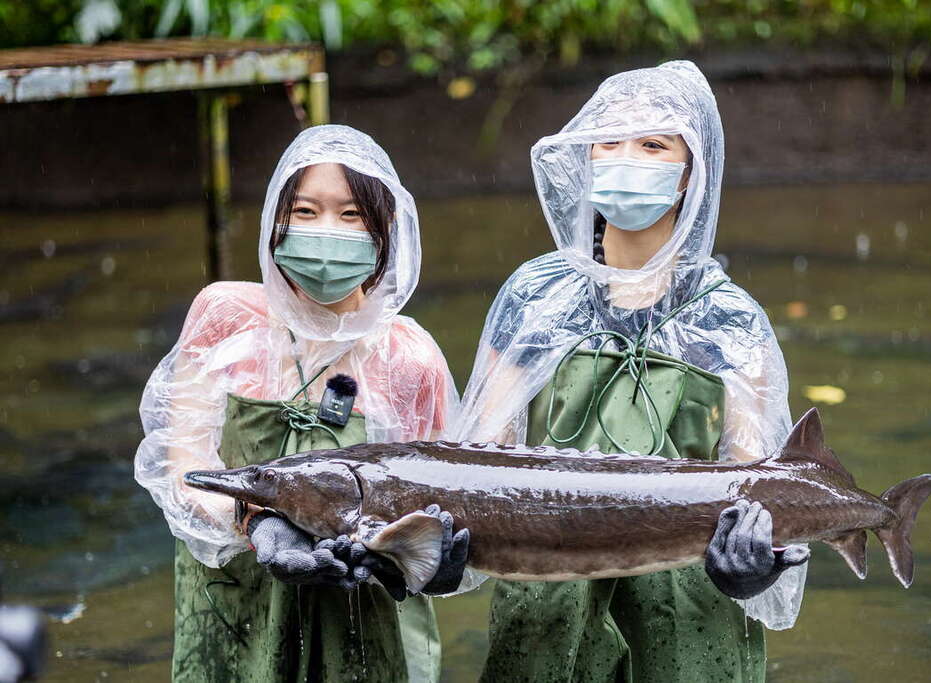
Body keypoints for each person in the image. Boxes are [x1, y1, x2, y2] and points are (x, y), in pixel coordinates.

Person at [454, 61, 809, 682]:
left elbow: (758, 479)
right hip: (548, 607)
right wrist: (443, 548)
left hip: (689, 620)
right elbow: (480, 457)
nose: (626, 158)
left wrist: (755, 560)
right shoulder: (534, 297)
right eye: (609, 141)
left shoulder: (730, 321)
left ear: (688, 173)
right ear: (585, 160)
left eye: (652, 144)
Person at [135, 125, 466, 682]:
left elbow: (442, 507)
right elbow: (181, 469)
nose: (326, 233)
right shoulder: (224, 317)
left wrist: (437, 563)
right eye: (306, 211)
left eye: (351, 214)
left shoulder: (410, 359)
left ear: (387, 228)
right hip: (235, 610)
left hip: (362, 624)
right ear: (274, 223)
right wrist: (258, 525)